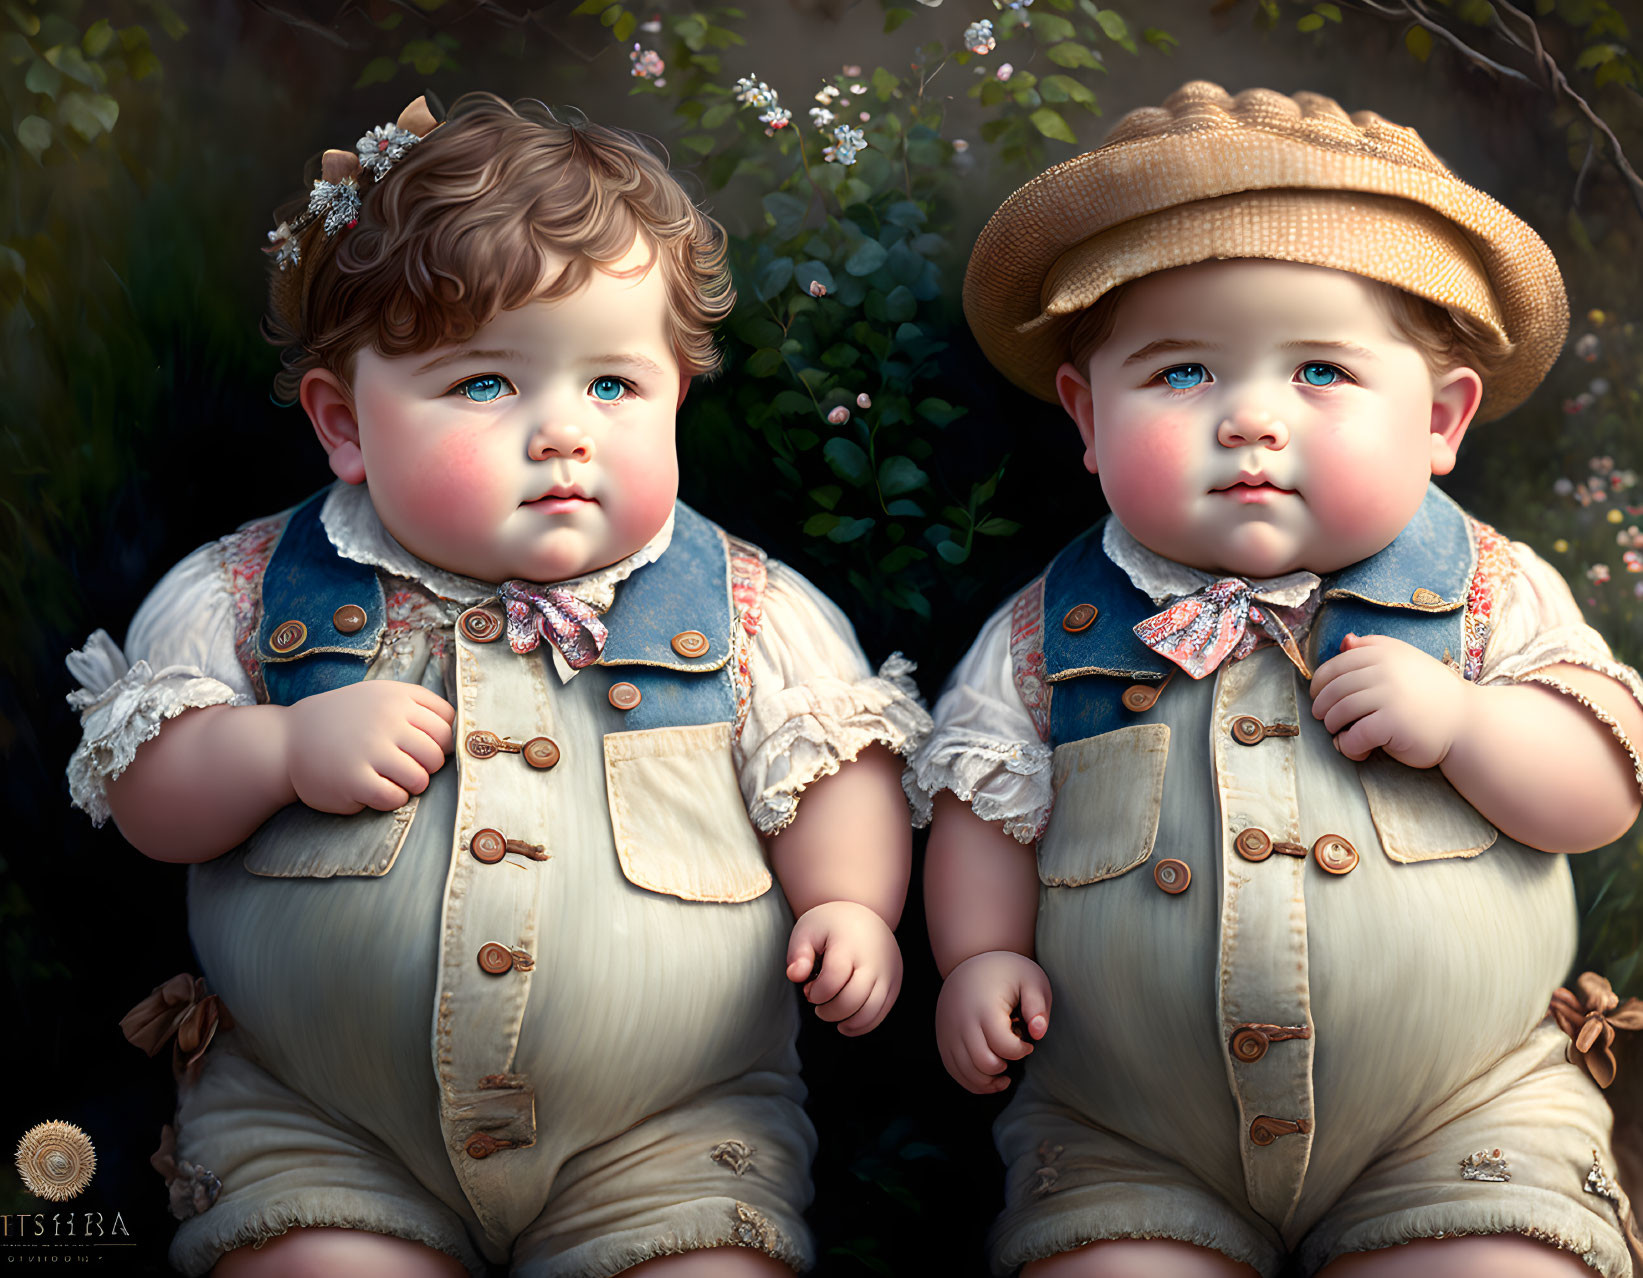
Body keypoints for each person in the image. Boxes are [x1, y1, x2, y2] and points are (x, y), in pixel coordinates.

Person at [65, 91, 928, 1278]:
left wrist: (848, 904)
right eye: (485, 386)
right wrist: (277, 752)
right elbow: (149, 799)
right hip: (323, 1124)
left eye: (613, 387)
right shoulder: (247, 591)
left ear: (678, 392)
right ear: (344, 424)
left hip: (664, 1135)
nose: (562, 432)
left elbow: (836, 764)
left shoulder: (748, 611)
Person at [908, 81, 1643, 1278]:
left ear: (1440, 420)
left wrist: (1463, 722)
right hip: (1132, 1134)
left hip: (1458, 1117)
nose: (1250, 419)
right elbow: (982, 799)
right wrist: (980, 954)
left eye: (1319, 373)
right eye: (1183, 374)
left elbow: (1599, 792)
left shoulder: (1491, 593)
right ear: (1086, 420)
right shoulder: (1052, 629)